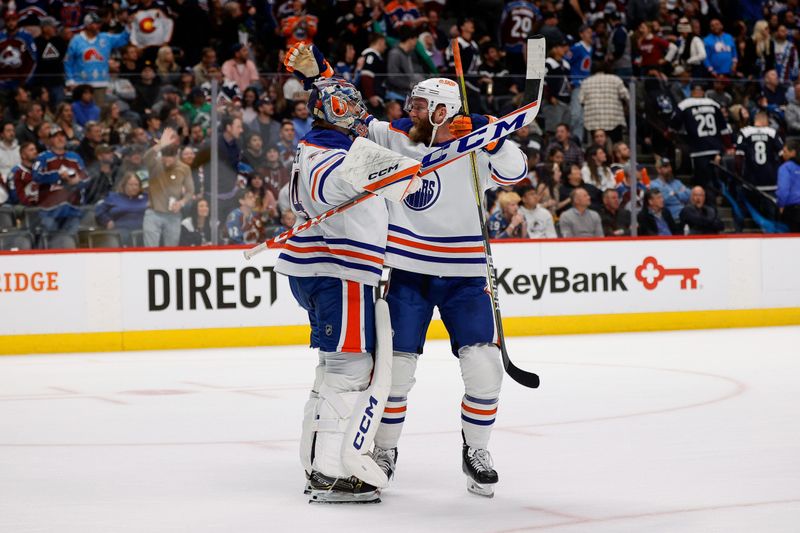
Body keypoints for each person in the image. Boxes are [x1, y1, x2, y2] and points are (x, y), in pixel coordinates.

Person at [273, 76, 416, 504]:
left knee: (335, 368)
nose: (360, 113)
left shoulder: (321, 148)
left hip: (330, 270)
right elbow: (408, 176)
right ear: (335, 109)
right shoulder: (335, 158)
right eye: (352, 106)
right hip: (341, 273)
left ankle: (318, 461)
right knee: (349, 370)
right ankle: (328, 472)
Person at [670, 84, 731, 195]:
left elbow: (673, 125)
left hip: (698, 149)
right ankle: (717, 197)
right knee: (715, 176)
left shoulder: (685, 104)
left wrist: (673, 136)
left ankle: (709, 200)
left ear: (692, 93)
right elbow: (724, 129)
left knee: (703, 181)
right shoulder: (713, 104)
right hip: (715, 148)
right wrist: (728, 146)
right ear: (702, 92)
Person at [32, 127, 89, 236]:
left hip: (72, 209)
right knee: (50, 240)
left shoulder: (75, 157)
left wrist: (78, 180)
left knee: (73, 240)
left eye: (62, 136)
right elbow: (36, 176)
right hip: (49, 210)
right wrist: (58, 175)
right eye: (56, 136)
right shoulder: (42, 157)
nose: (60, 138)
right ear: (50, 141)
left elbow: (86, 178)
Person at [142, 127, 194, 247]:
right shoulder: (155, 163)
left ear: (177, 156)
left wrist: (181, 202)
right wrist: (159, 145)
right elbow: (146, 158)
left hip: (173, 214)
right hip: (153, 213)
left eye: (170, 159)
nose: (167, 163)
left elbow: (190, 191)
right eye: (165, 159)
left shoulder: (184, 168)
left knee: (171, 251)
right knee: (150, 250)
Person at [64, 12, 130, 103]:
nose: (98, 25)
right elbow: (68, 61)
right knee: (81, 112)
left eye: (99, 23)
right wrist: (70, 81)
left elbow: (123, 39)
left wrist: (129, 26)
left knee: (99, 112)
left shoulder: (106, 38)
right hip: (81, 84)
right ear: (87, 25)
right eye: (95, 23)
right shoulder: (76, 40)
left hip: (100, 83)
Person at [580, 61, 629, 143]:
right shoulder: (616, 80)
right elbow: (627, 97)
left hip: (593, 121)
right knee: (616, 146)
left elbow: (581, 100)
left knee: (597, 149)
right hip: (614, 120)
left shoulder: (586, 82)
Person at [94, 173, 148, 245]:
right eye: (131, 185)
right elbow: (99, 210)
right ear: (124, 185)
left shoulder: (146, 198)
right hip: (121, 231)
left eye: (136, 185)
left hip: (142, 231)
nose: (134, 187)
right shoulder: (114, 197)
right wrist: (107, 221)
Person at [735, 111, 783, 189]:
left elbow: (738, 159)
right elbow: (783, 155)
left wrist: (739, 175)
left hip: (751, 179)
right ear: (765, 121)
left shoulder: (744, 132)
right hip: (770, 179)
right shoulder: (772, 133)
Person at [777, 139, 800, 232]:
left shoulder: (786, 167)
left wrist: (781, 205)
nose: (783, 154)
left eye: (785, 151)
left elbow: (783, 190)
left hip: (793, 211)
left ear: (793, 152)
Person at [8, 142, 39, 206]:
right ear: (23, 155)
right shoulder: (15, 172)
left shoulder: (40, 168)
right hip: (24, 207)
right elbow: (15, 197)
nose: (35, 152)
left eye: (35, 149)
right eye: (31, 150)